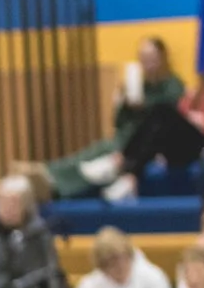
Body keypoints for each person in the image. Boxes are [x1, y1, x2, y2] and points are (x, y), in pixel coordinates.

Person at [102, 30, 204, 200]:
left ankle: (125, 169)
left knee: (163, 112)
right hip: (194, 145)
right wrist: (188, 109)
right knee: (161, 113)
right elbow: (182, 109)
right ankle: (124, 166)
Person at [26, 36, 185, 199]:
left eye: (151, 57)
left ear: (162, 58)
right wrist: (122, 102)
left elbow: (168, 117)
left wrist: (144, 105)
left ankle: (53, 179)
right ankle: (50, 175)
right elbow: (118, 122)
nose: (147, 62)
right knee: (93, 153)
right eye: (143, 57)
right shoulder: (137, 85)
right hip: (123, 138)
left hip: (145, 146)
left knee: (103, 154)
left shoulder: (173, 85)